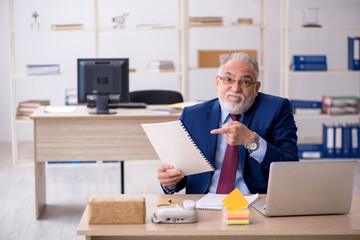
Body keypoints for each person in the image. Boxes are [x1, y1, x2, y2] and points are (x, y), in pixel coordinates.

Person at [157, 52, 298, 194]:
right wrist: (169, 181)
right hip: (204, 201)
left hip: (254, 201)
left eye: (245, 82)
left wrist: (252, 141)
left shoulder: (277, 109)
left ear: (256, 88)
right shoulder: (193, 115)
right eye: (228, 79)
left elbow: (290, 168)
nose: (235, 89)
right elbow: (182, 175)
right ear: (217, 83)